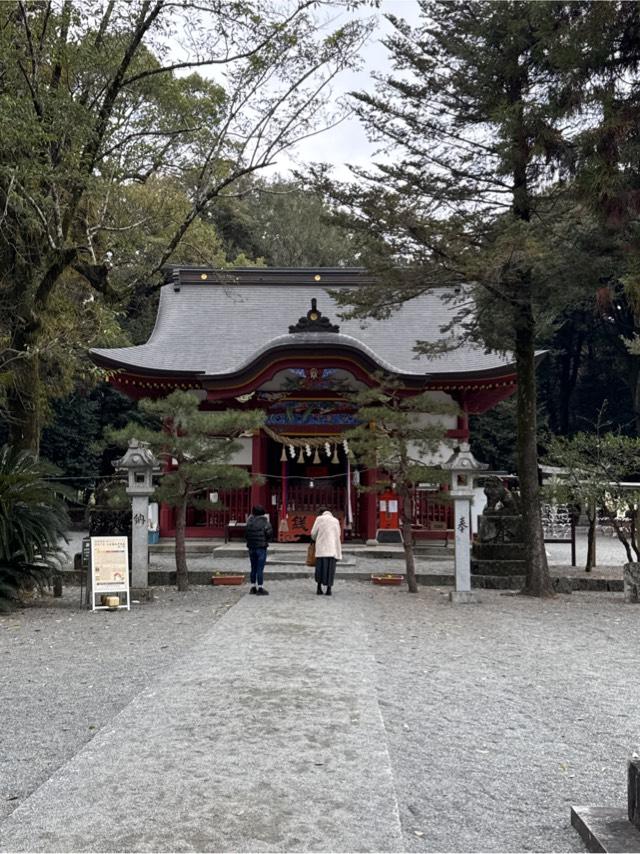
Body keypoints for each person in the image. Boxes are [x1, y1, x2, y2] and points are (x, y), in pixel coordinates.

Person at [310, 508, 342, 596]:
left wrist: (316, 538)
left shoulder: (319, 519)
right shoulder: (335, 520)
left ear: (321, 513)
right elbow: (338, 534)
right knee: (330, 570)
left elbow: (313, 533)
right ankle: (329, 589)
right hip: (332, 549)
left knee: (320, 569)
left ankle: (319, 588)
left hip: (321, 549)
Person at [245, 505, 273, 596]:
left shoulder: (249, 522)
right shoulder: (265, 523)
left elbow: (246, 535)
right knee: (260, 568)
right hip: (261, 547)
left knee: (253, 567)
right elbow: (269, 534)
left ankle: (253, 587)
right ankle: (260, 587)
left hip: (251, 547)